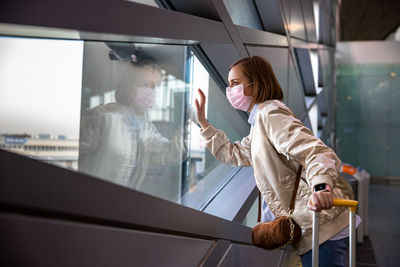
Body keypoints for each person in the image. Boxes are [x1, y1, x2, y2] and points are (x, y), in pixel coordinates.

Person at [195, 56, 360, 267]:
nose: (230, 90)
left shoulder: (270, 114)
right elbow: (234, 154)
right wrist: (203, 123)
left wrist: (321, 187)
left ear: (257, 83)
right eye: (229, 84)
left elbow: (314, 151)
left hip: (321, 225)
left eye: (235, 83)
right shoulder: (259, 123)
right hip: (314, 225)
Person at [78, 46, 183, 190]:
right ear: (129, 86)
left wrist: (190, 125)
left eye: (153, 86)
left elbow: (168, 154)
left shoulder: (144, 126)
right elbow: (75, 159)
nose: (150, 91)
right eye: (145, 84)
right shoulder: (103, 117)